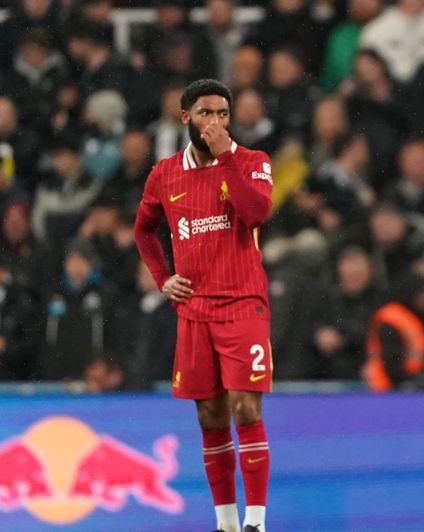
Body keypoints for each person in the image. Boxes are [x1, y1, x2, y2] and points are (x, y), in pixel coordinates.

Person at [133, 79, 273, 532]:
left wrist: (228, 156)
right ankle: (226, 523)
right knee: (209, 416)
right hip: (193, 310)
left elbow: (255, 214)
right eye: (206, 113)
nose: (215, 122)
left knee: (245, 409)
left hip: (242, 304)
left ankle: (256, 521)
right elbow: (143, 230)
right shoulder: (164, 174)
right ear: (185, 118)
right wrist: (162, 279)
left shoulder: (252, 162)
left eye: (223, 114)